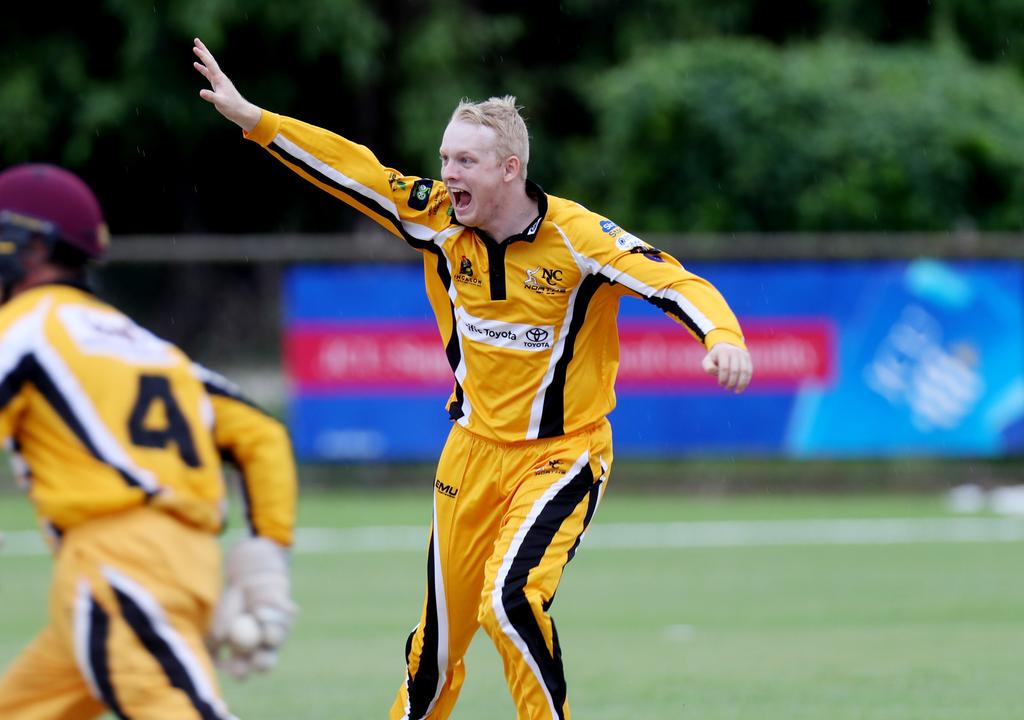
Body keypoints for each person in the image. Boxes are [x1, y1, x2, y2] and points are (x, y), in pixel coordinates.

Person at [193, 38, 753, 720]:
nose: (445, 173)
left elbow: (673, 280)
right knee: (436, 651)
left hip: (562, 455)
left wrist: (720, 336)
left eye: (463, 161)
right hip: (470, 454)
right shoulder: (438, 220)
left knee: (510, 602)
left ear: (509, 168)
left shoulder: (578, 238)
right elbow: (356, 173)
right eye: (443, 159)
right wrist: (256, 120)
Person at [0, 163, 298, 720]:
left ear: (34, 248)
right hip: (168, 560)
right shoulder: (141, 341)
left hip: (116, 563)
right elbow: (261, 435)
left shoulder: (18, 330)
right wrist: (268, 555)